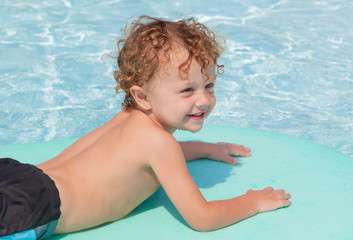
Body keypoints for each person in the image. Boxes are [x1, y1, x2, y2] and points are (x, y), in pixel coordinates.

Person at [0, 15, 291, 239]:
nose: (204, 99)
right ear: (142, 96)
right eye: (187, 90)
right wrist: (251, 201)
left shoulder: (128, 118)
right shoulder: (159, 143)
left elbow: (144, 160)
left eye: (209, 85)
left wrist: (205, 149)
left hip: (17, 175)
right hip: (30, 211)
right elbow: (203, 218)